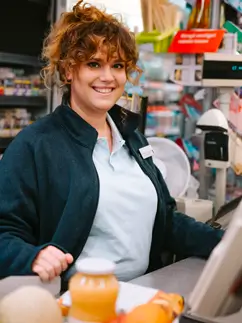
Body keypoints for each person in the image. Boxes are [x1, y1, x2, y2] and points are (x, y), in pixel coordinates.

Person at [0, 0, 223, 289]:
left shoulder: (132, 136)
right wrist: (33, 256)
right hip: (78, 301)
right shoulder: (35, 145)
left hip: (145, 292)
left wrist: (225, 244)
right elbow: (4, 232)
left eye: (117, 65)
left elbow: (165, 221)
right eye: (94, 64)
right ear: (69, 71)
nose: (108, 77)